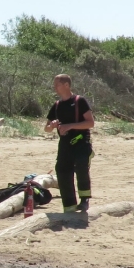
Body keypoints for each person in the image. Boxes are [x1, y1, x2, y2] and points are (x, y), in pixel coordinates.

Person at [44, 74, 95, 212]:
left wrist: (70, 126)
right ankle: (70, 205)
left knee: (81, 166)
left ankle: (84, 200)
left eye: (57, 84)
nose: (55, 87)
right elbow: (46, 128)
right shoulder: (57, 105)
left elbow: (90, 123)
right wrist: (52, 125)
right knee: (62, 170)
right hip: (65, 143)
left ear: (66, 85)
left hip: (81, 141)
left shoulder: (80, 101)